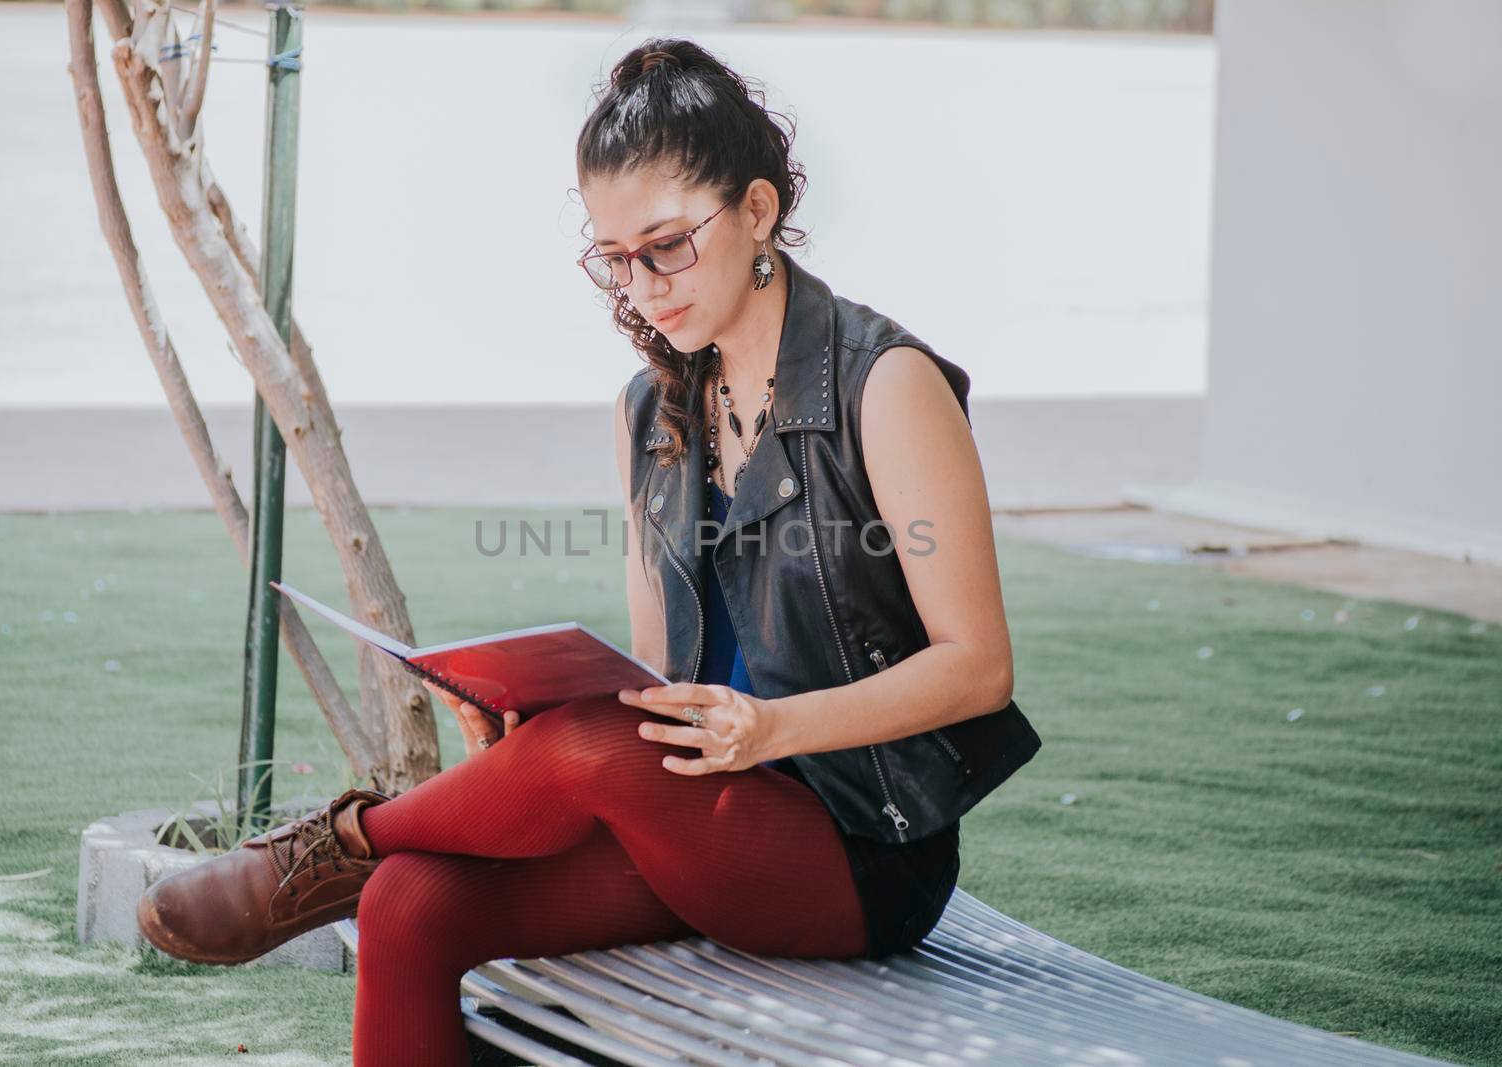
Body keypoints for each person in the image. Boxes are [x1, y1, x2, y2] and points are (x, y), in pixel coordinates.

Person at [135, 38, 1041, 1065]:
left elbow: (978, 665)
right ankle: (367, 859)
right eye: (615, 258)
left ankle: (328, 848)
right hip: (703, 812)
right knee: (410, 901)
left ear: (756, 210)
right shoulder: (650, 412)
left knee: (581, 745)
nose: (644, 286)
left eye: (667, 245)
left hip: (858, 844)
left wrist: (769, 726)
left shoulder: (886, 384)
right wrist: (523, 723)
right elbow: (654, 683)